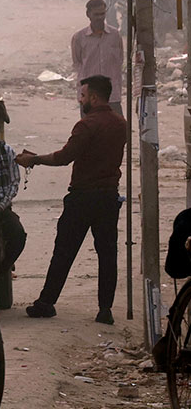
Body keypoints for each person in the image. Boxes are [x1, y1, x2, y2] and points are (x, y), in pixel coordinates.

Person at [16, 75, 127, 325]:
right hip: (108, 196)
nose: (81, 100)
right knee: (107, 254)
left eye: (83, 95)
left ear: (94, 98)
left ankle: (46, 302)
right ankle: (105, 309)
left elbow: (64, 157)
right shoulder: (120, 124)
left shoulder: (86, 125)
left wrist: (34, 160)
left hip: (83, 197)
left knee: (64, 251)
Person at [71, 0, 124, 117]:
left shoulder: (115, 35)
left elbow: (119, 60)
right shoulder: (79, 37)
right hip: (89, 95)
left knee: (116, 126)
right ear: (88, 14)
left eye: (102, 14)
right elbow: (77, 63)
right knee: (89, 127)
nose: (100, 17)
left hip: (112, 94)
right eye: (96, 14)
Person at [0, 134, 27, 277]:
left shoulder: (6, 151)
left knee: (18, 235)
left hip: (1, 207)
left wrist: (1, 206)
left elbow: (14, 182)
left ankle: (2, 270)